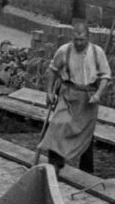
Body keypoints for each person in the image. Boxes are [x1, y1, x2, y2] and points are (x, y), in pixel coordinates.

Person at [37, 24, 111, 174]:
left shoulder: (97, 53)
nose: (78, 43)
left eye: (82, 40)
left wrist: (98, 94)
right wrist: (49, 92)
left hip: (88, 97)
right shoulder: (64, 51)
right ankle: (55, 165)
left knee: (86, 133)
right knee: (58, 125)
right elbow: (52, 71)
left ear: (88, 38)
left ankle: (87, 170)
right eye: (76, 40)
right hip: (68, 94)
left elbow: (105, 76)